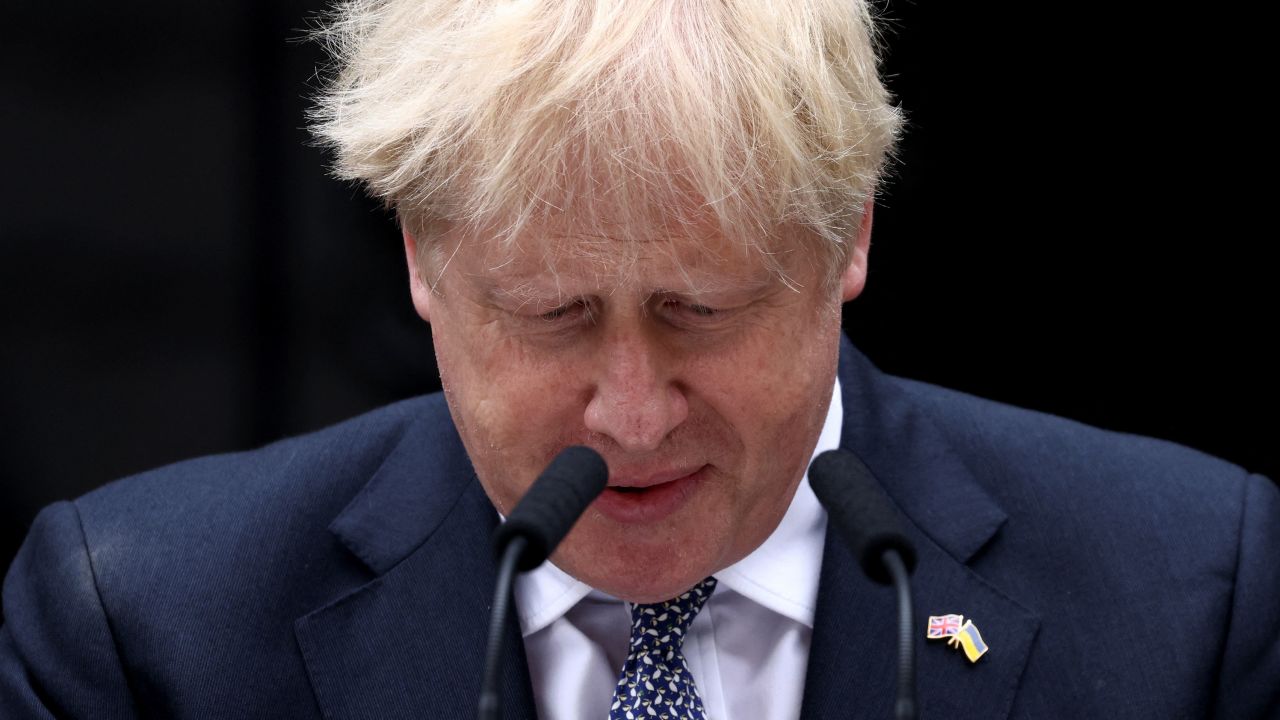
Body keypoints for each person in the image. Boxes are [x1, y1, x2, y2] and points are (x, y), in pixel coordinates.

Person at [2, 1, 1276, 718]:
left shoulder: (1189, 594)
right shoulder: (145, 630)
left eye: (700, 310)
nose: (630, 414)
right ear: (420, 262)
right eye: (551, 314)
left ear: (851, 234)